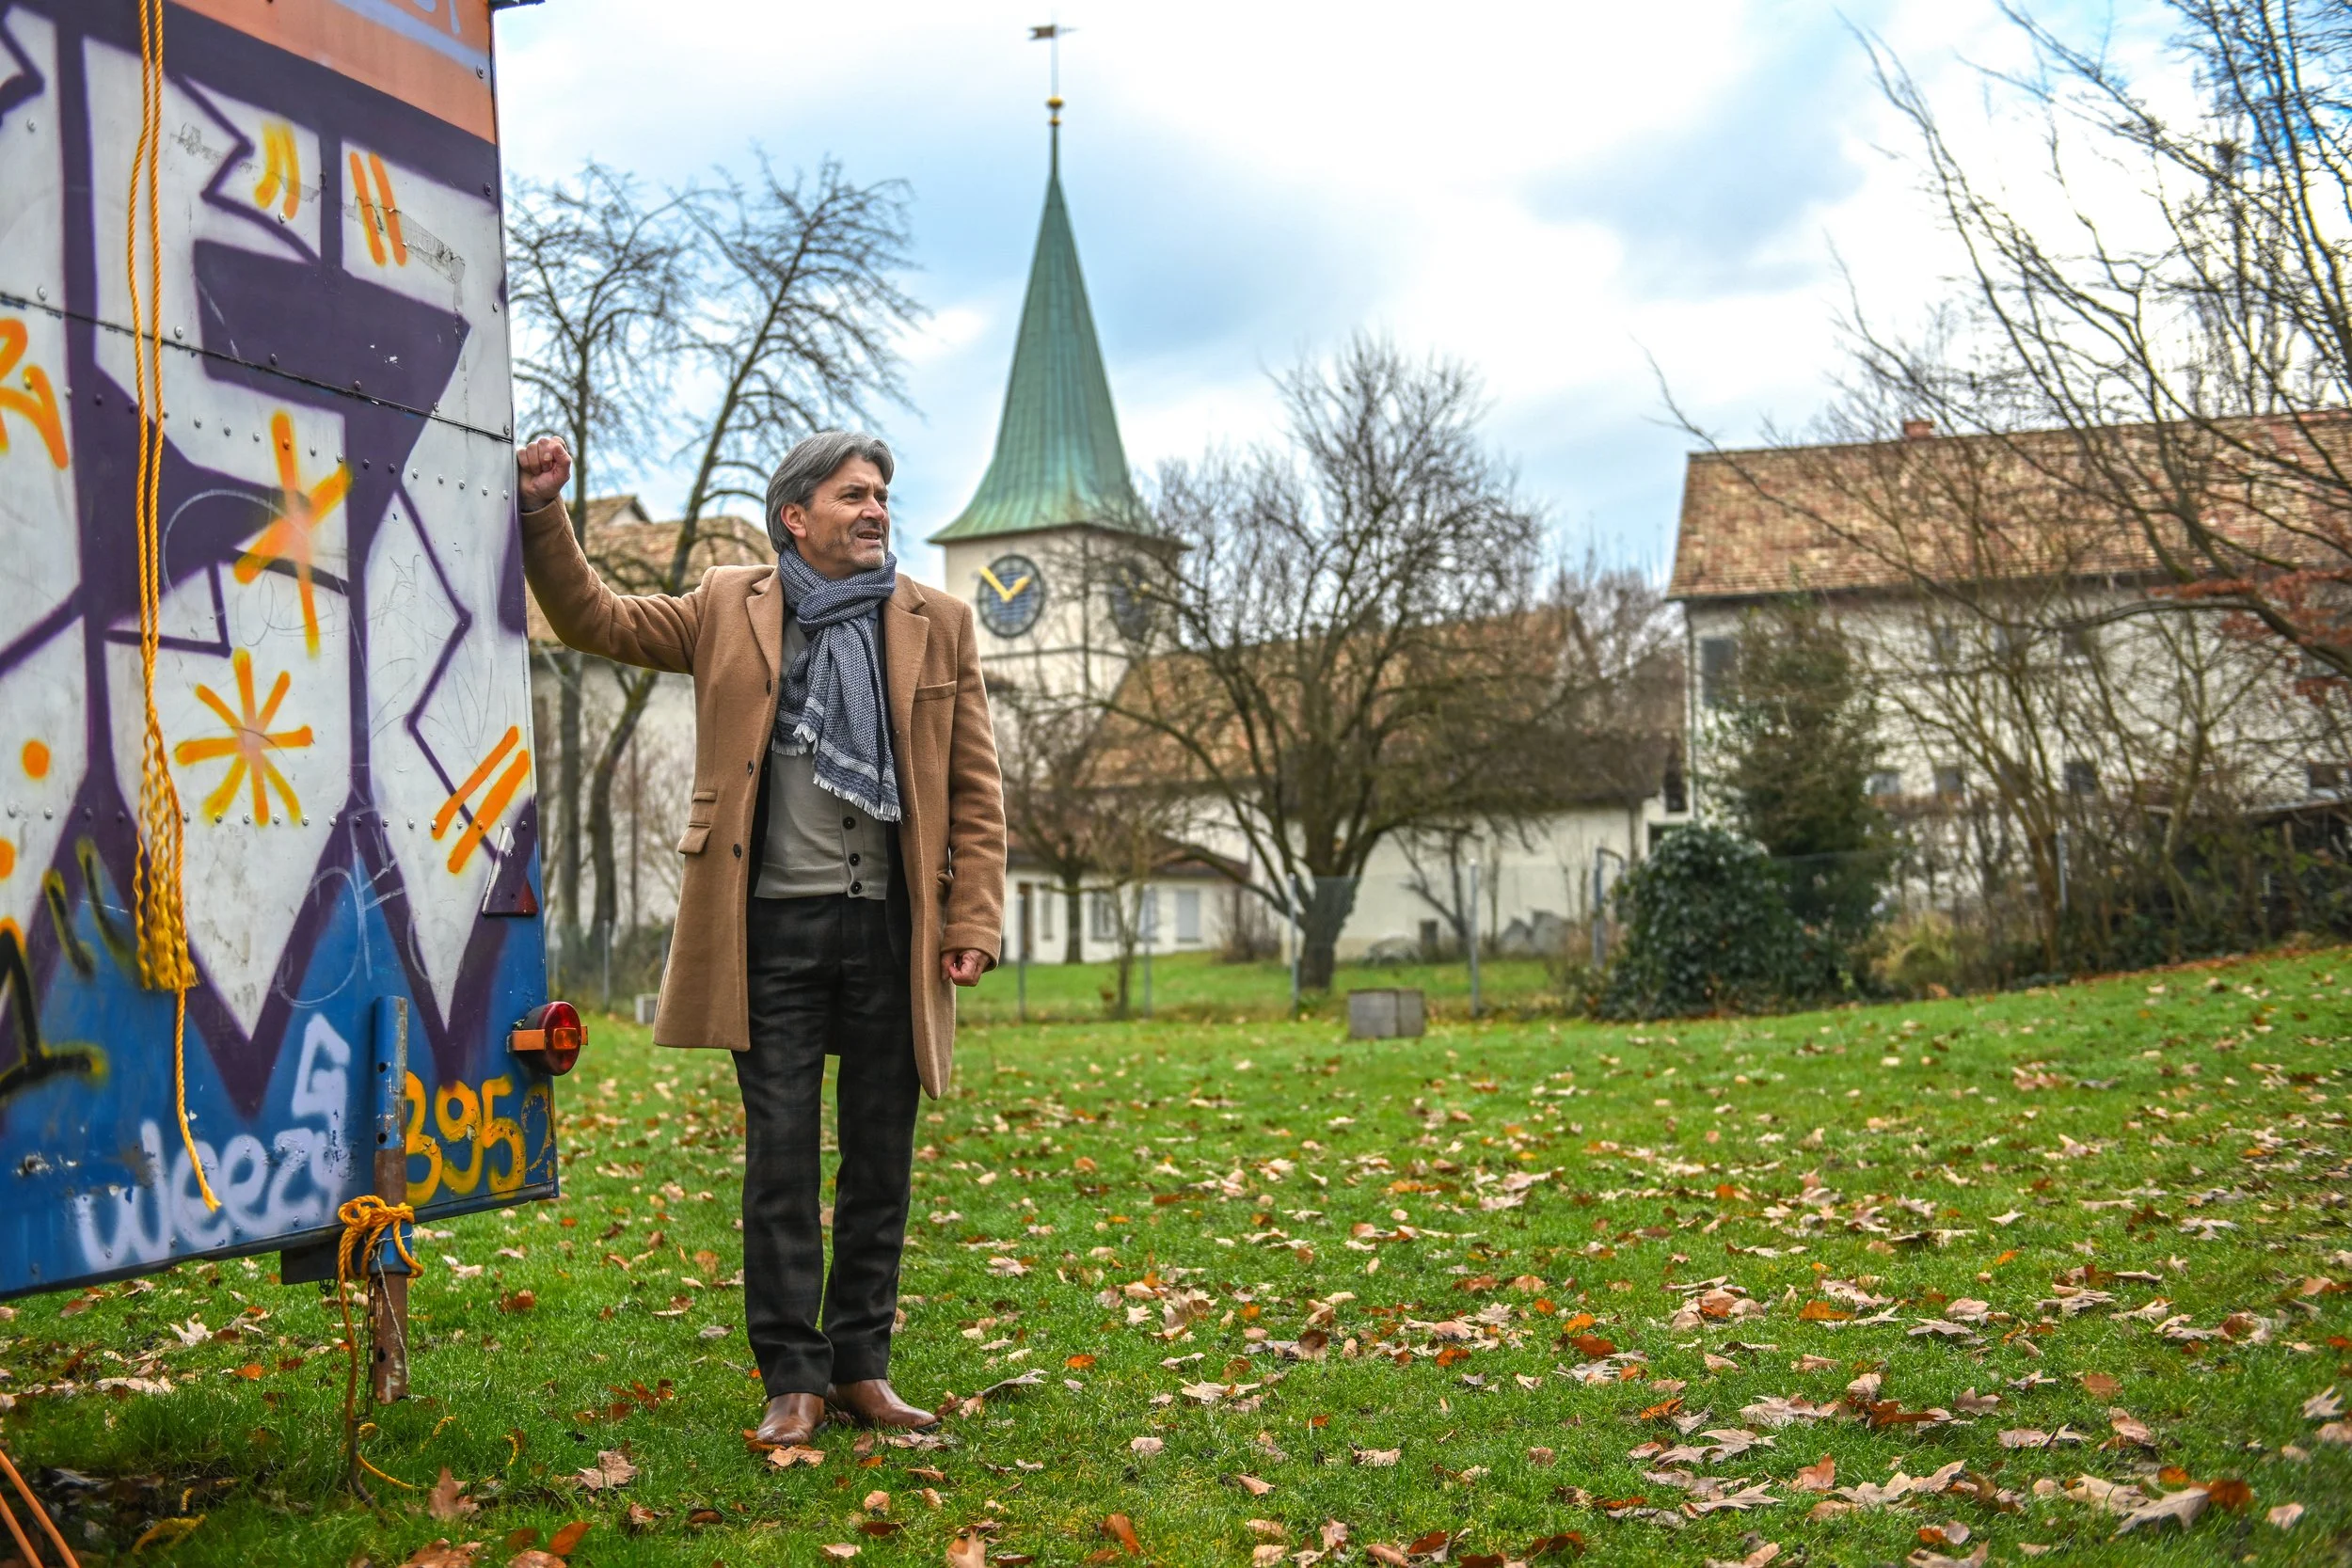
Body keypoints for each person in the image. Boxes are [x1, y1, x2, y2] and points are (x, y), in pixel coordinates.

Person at [514, 431, 1006, 1447]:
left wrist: (971, 921)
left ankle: (863, 1365)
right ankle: (794, 1375)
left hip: (893, 932)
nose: (875, 510)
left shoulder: (938, 622)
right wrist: (541, 510)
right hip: (766, 930)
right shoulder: (726, 605)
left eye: (882, 496)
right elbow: (590, 615)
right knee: (779, 1159)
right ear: (796, 514)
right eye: (853, 495)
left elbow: (975, 791)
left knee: (880, 1159)